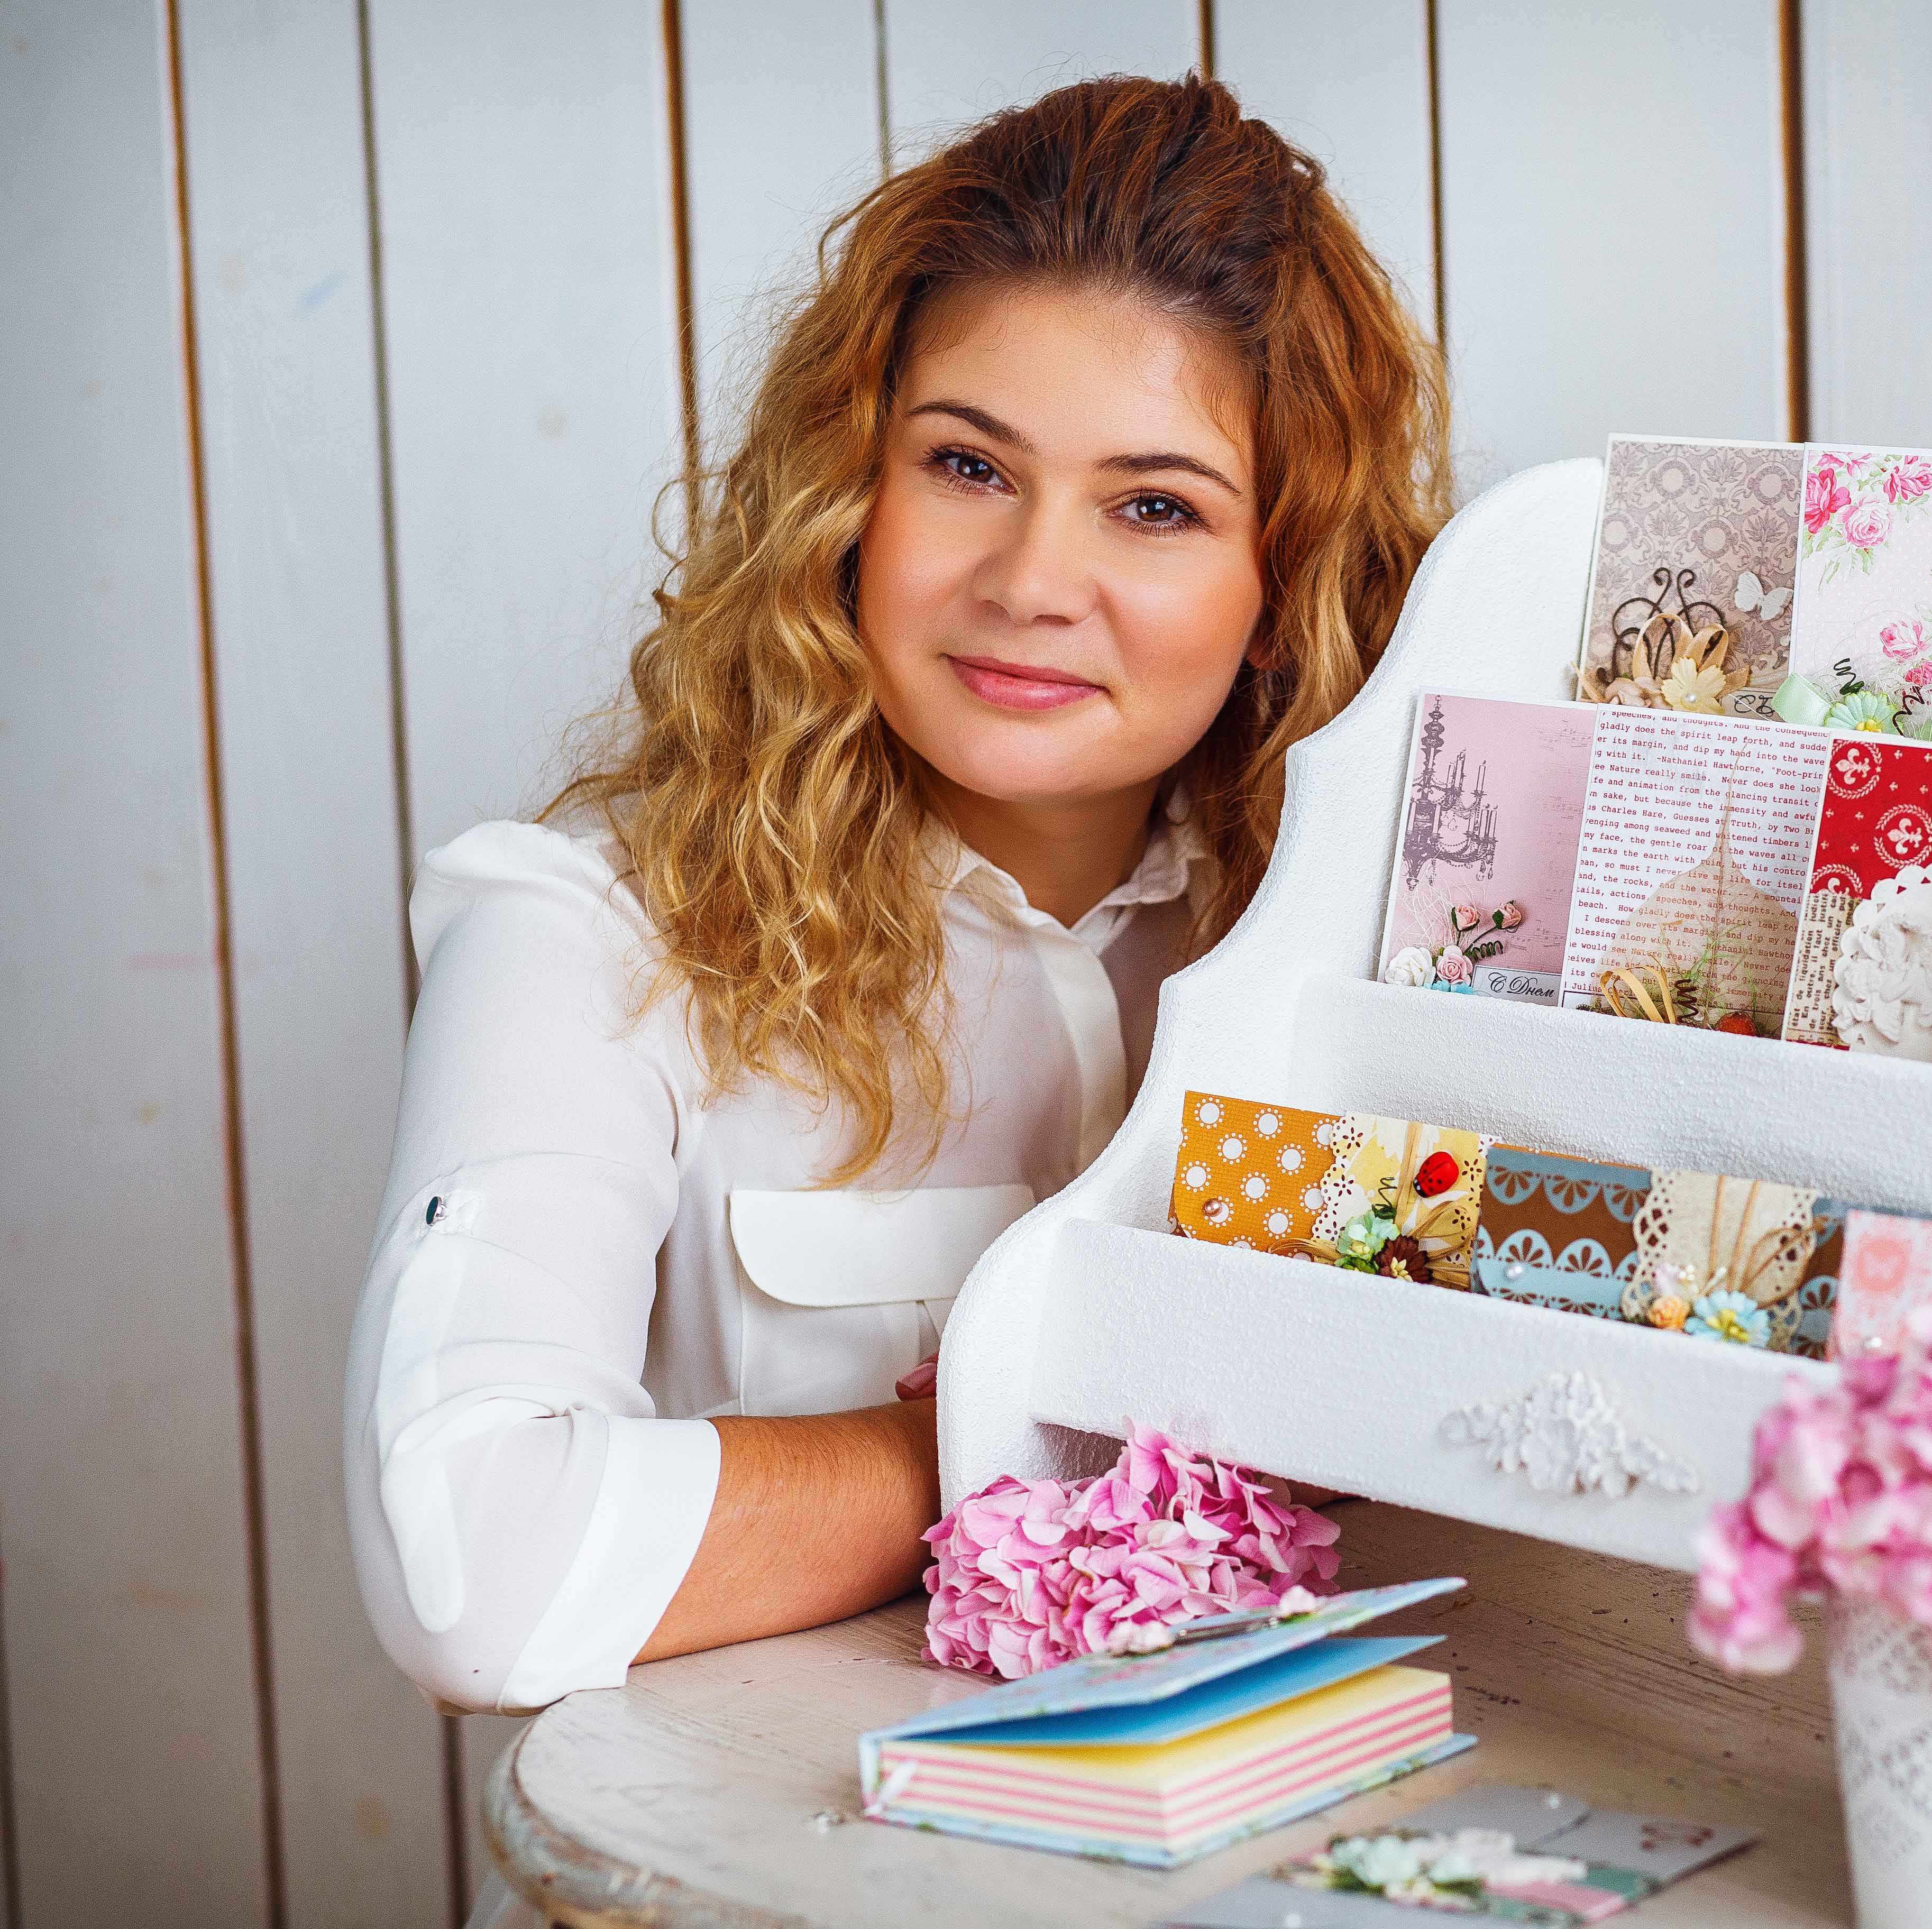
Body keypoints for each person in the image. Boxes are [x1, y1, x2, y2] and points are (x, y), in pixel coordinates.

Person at [342, 72, 1446, 1752]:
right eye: (967, 465)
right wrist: (1068, 1424)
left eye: (1155, 505)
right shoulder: (583, 935)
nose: (1031, 583)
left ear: (1283, 590)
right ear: (848, 498)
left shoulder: (1383, 960)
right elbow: (471, 1570)